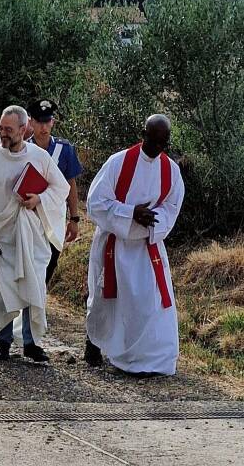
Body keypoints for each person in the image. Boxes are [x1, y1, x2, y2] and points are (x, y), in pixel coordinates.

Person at [0, 105, 69, 363]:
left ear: (24, 130)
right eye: (1, 129)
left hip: (30, 234)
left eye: (8, 130)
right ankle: (3, 341)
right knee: (1, 290)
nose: (3, 134)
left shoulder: (39, 156)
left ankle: (31, 343)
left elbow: (61, 187)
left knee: (32, 286)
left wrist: (39, 199)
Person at [85, 114, 184, 376]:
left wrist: (153, 220)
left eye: (164, 143)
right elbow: (95, 203)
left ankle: (150, 359)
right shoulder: (119, 163)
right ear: (143, 134)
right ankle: (95, 344)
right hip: (115, 243)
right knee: (106, 300)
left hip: (146, 247)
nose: (158, 148)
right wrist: (130, 213)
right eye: (154, 141)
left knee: (152, 304)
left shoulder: (170, 170)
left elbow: (172, 206)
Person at [27, 100, 83, 284]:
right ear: (31, 122)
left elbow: (71, 184)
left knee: (51, 261)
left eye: (47, 121)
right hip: (29, 216)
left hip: (55, 216)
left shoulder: (64, 149)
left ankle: (39, 300)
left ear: (53, 122)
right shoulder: (23, 148)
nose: (44, 127)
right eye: (39, 122)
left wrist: (74, 219)